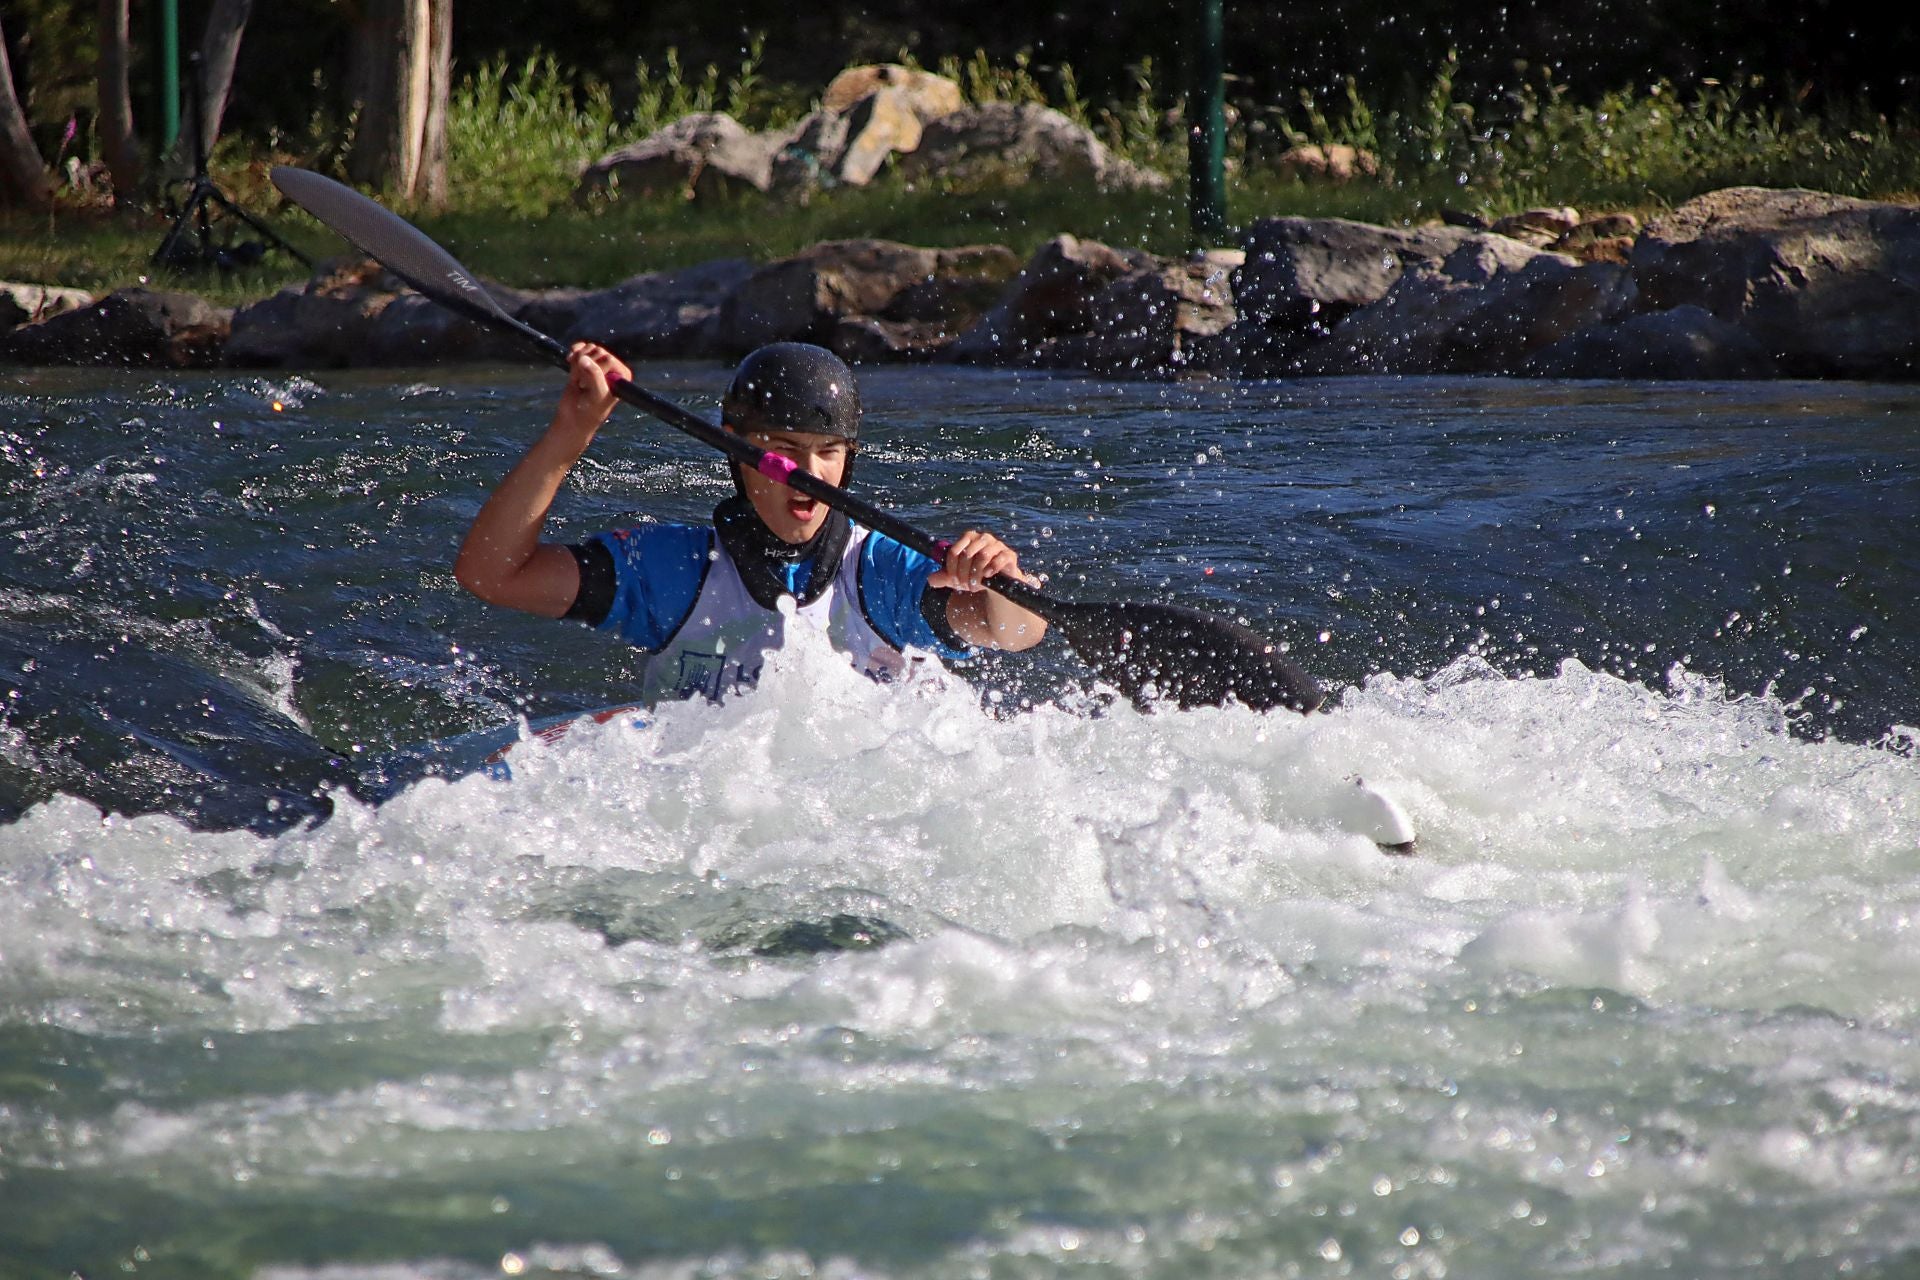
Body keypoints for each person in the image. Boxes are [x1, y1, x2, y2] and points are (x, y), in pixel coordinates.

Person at [454, 340, 1048, 704]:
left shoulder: (879, 572)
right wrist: (571, 432)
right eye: (786, 449)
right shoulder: (676, 572)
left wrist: (998, 578)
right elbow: (492, 576)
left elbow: (1019, 633)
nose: (809, 474)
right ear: (736, 448)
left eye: (829, 451)